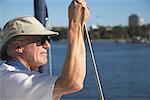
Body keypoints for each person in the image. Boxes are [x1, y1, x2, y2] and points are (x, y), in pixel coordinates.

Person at [0, 0, 89, 100]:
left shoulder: (7, 76)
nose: (47, 45)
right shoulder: (12, 78)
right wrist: (75, 23)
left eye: (47, 39)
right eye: (41, 40)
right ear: (18, 47)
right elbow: (72, 83)